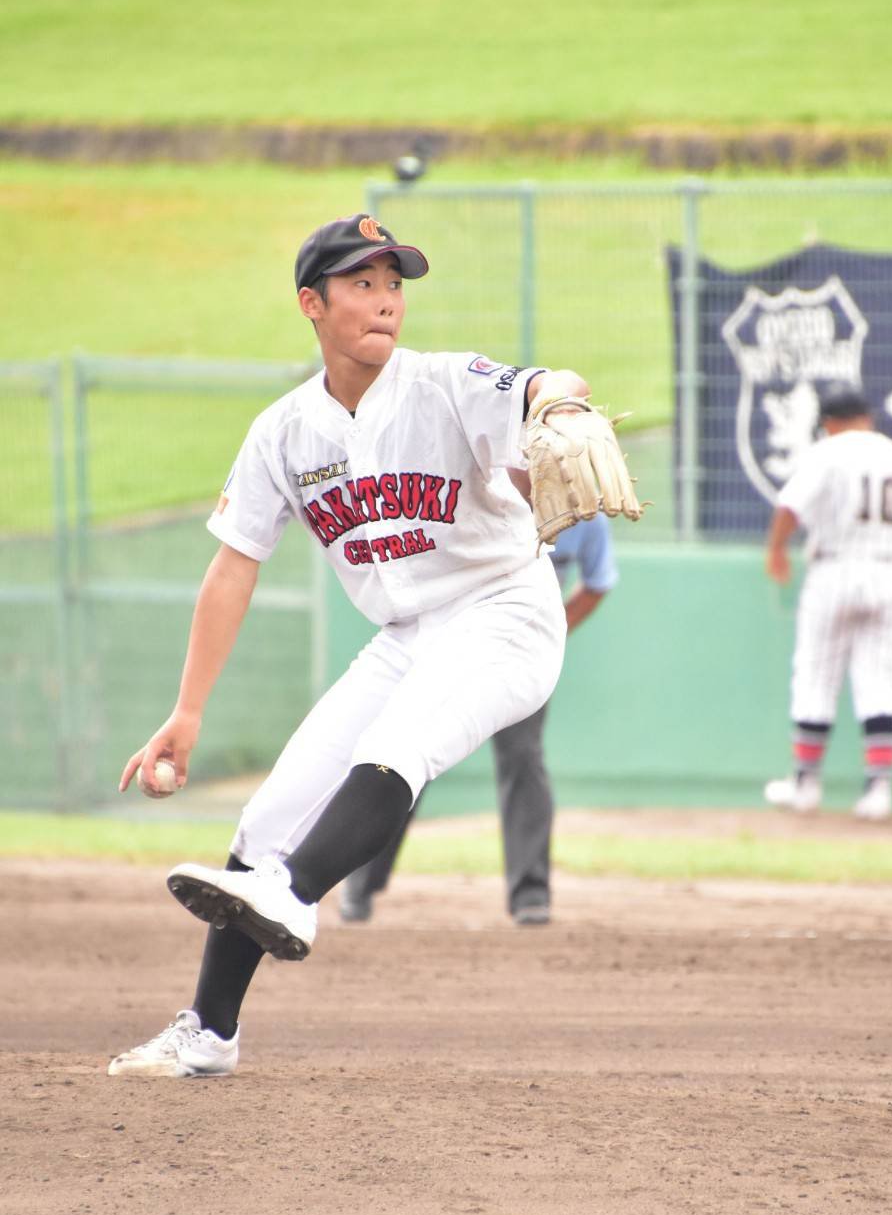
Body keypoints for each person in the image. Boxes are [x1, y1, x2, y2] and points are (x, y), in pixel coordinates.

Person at [108, 212, 616, 1078]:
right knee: (270, 817)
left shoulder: (445, 382)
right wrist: (187, 713)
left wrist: (560, 403)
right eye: (362, 283)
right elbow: (232, 568)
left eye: (393, 285)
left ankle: (292, 892)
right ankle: (209, 1031)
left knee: (395, 744)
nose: (385, 301)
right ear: (312, 303)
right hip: (406, 635)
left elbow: (545, 382)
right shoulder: (282, 432)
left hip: (504, 612)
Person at [338, 511, 618, 926]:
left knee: (523, 759)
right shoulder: (482, 493)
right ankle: (358, 882)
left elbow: (597, 583)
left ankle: (530, 896)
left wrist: (549, 631)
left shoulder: (584, 514)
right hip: (449, 643)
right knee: (405, 754)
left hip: (518, 653)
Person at [763, 384, 892, 821]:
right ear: (866, 417)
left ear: (829, 423)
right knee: (880, 680)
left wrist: (776, 551)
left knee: (816, 674)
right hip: (891, 572)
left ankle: (805, 785)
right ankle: (878, 791)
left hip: (835, 568)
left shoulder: (829, 452)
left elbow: (790, 506)